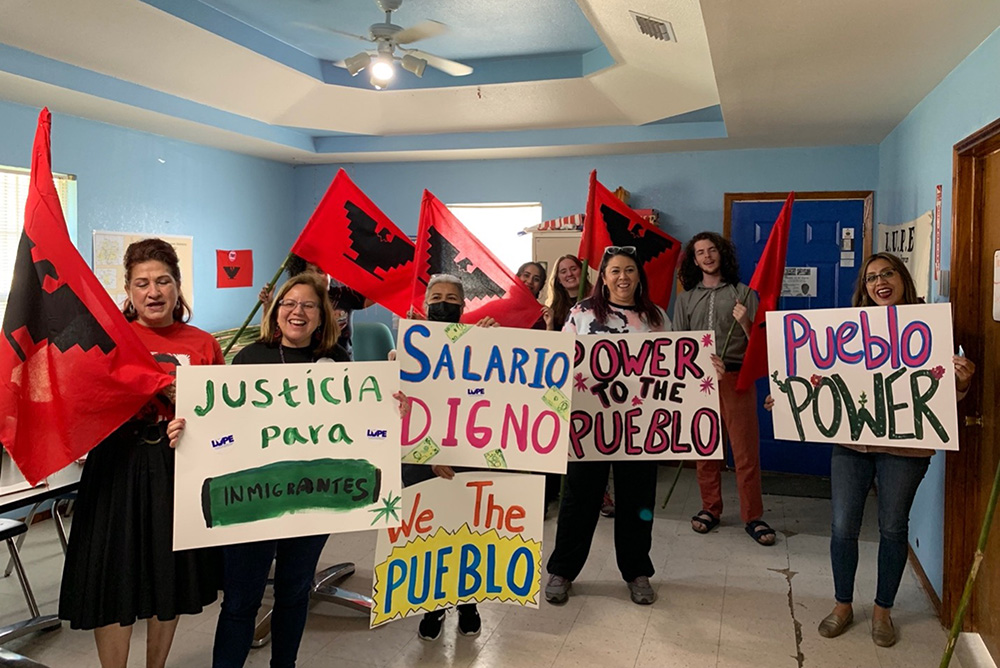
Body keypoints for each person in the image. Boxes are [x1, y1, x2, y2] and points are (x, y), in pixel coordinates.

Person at [169, 272, 408, 667]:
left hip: (310, 497)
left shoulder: (339, 364)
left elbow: (360, 427)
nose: (298, 312)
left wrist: (389, 411)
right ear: (276, 310)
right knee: (241, 600)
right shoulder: (249, 358)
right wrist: (186, 430)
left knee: (295, 592)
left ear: (322, 316)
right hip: (253, 498)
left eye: (309, 305)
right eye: (289, 304)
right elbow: (221, 423)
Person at [765, 252, 975, 648]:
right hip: (851, 443)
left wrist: (961, 383)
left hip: (906, 449)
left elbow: (940, 394)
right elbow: (817, 378)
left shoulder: (929, 325)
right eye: (871, 277)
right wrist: (788, 397)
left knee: (893, 527)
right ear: (864, 287)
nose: (880, 282)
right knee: (843, 526)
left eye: (887, 273)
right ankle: (843, 604)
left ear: (902, 279)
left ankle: (883, 611)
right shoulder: (847, 329)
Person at [59, 238, 221, 668]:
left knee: (165, 575)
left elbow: (224, 416)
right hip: (116, 466)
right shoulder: (108, 339)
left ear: (178, 286)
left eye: (163, 281)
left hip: (177, 469)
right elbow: (82, 401)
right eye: (142, 283)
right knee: (114, 576)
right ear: (128, 291)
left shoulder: (203, 345)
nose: (154, 292)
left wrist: (193, 419)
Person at [544, 245, 670, 606]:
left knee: (638, 501)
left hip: (640, 425)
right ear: (604, 277)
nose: (623, 277)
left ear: (638, 276)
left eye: (629, 270)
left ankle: (637, 571)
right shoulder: (582, 313)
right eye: (615, 271)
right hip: (589, 423)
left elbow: (674, 362)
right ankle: (563, 569)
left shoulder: (656, 316)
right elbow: (560, 360)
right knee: (579, 500)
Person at [400, 273, 497, 641]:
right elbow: (405, 410)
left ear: (463, 306)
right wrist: (430, 456)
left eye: (452, 298)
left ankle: (469, 602)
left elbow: (496, 400)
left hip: (469, 457)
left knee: (468, 532)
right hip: (420, 460)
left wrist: (496, 344)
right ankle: (434, 606)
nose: (444, 302)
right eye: (437, 296)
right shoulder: (409, 348)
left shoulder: (480, 343)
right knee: (431, 538)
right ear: (426, 304)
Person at [673, 232, 775, 546]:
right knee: (706, 449)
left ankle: (753, 516)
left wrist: (745, 322)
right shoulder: (686, 298)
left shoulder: (744, 294)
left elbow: (762, 343)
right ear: (694, 259)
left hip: (737, 378)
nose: (707, 256)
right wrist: (701, 365)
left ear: (722, 254)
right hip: (699, 382)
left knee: (745, 452)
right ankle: (710, 508)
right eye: (700, 252)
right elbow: (679, 343)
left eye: (712, 250)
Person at [259, 254, 373, 358]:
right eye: (309, 271)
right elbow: (271, 334)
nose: (314, 276)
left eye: (320, 271)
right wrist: (268, 305)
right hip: (303, 361)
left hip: (340, 362)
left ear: (331, 274)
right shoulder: (289, 296)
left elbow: (378, 294)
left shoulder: (344, 294)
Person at [515, 261, 548, 330]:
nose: (530, 281)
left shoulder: (544, 315)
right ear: (517, 277)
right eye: (526, 275)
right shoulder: (497, 306)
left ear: (540, 286)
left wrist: (550, 325)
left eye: (536, 279)